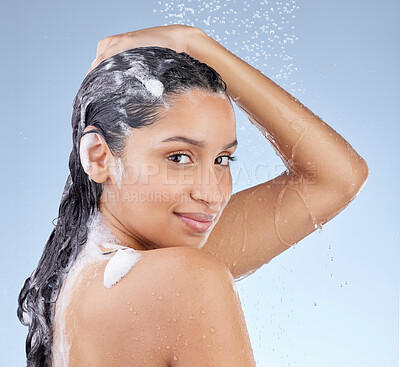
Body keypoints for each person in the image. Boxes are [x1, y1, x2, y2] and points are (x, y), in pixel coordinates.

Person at [17, 25, 369, 367]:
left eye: (222, 160)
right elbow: (335, 179)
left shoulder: (77, 280)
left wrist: (194, 42)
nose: (211, 193)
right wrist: (197, 44)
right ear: (98, 156)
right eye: (179, 157)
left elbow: (336, 179)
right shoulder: (184, 280)